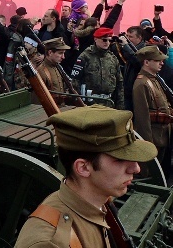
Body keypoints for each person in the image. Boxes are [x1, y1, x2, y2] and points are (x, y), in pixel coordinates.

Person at [15, 105, 157, 247]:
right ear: (83, 168)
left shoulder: (96, 203)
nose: (136, 168)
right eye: (119, 159)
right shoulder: (51, 243)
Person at [132, 45, 172, 175]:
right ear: (147, 62)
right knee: (149, 175)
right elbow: (142, 118)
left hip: (162, 136)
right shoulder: (142, 83)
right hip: (153, 139)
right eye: (157, 60)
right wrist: (147, 146)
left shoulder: (153, 80)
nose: (162, 62)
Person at [71, 27, 124, 109]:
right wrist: (78, 103)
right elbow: (75, 81)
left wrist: (120, 105)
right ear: (96, 39)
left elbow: (119, 83)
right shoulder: (85, 56)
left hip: (108, 103)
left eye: (109, 40)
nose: (107, 43)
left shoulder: (113, 58)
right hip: (89, 103)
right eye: (104, 40)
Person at [36, 37, 71, 107]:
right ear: (50, 52)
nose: (63, 57)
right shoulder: (41, 71)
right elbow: (38, 99)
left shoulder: (58, 67)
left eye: (64, 53)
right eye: (60, 53)